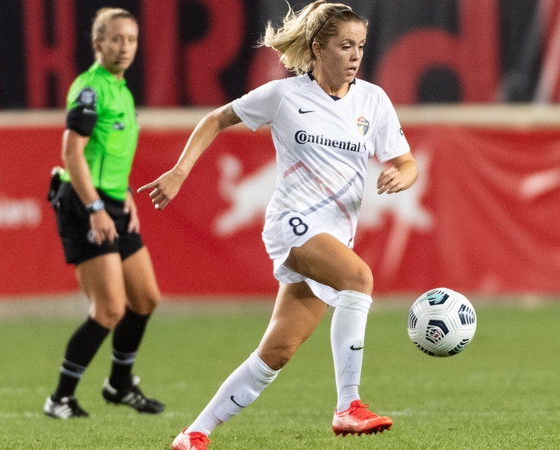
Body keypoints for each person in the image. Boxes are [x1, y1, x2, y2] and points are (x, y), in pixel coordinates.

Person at [138, 1, 418, 448]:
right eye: (345, 46)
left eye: (360, 47)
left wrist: (399, 176)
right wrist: (178, 171)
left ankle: (194, 433)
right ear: (316, 48)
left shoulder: (373, 101)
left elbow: (407, 163)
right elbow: (216, 119)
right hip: (293, 224)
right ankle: (349, 406)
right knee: (359, 277)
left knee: (276, 352)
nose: (355, 56)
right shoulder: (284, 95)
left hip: (333, 234)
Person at [43, 7, 165, 419]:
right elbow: (72, 153)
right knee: (110, 309)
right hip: (83, 201)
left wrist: (124, 192)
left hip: (112, 199)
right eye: (116, 39)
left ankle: (119, 383)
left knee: (145, 298)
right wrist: (95, 207)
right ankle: (59, 397)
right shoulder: (91, 88)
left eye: (131, 39)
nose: (125, 47)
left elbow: (106, 152)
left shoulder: (122, 89)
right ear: (98, 44)